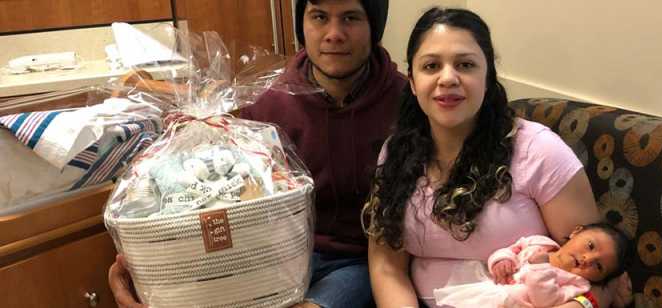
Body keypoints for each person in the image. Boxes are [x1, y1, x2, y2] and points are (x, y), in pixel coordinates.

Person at [107, 0, 407, 308]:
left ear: (375, 27)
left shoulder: (406, 104)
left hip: (357, 263)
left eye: (350, 18)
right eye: (319, 16)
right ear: (301, 25)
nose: (333, 33)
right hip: (271, 259)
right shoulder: (269, 103)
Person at [361, 7, 631, 308]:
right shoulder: (396, 152)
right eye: (431, 66)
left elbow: (598, 280)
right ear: (412, 81)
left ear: (488, 77)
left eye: (465, 65)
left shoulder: (539, 151)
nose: (447, 78)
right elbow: (387, 266)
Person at [433, 223, 631, 308]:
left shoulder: (577, 285)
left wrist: (541, 269)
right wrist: (502, 261)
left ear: (599, 279)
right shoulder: (539, 242)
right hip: (490, 292)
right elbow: (511, 250)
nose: (587, 258)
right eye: (590, 245)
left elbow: (545, 301)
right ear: (576, 231)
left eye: (598, 266)